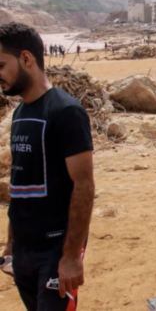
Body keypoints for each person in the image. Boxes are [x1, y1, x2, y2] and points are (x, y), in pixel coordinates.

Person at [0, 23, 94, 311]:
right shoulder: (19, 113)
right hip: (23, 250)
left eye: (1, 65)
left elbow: (84, 186)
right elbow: (19, 184)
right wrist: (9, 246)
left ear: (26, 59)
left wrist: (70, 256)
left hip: (55, 250)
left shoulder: (66, 112)